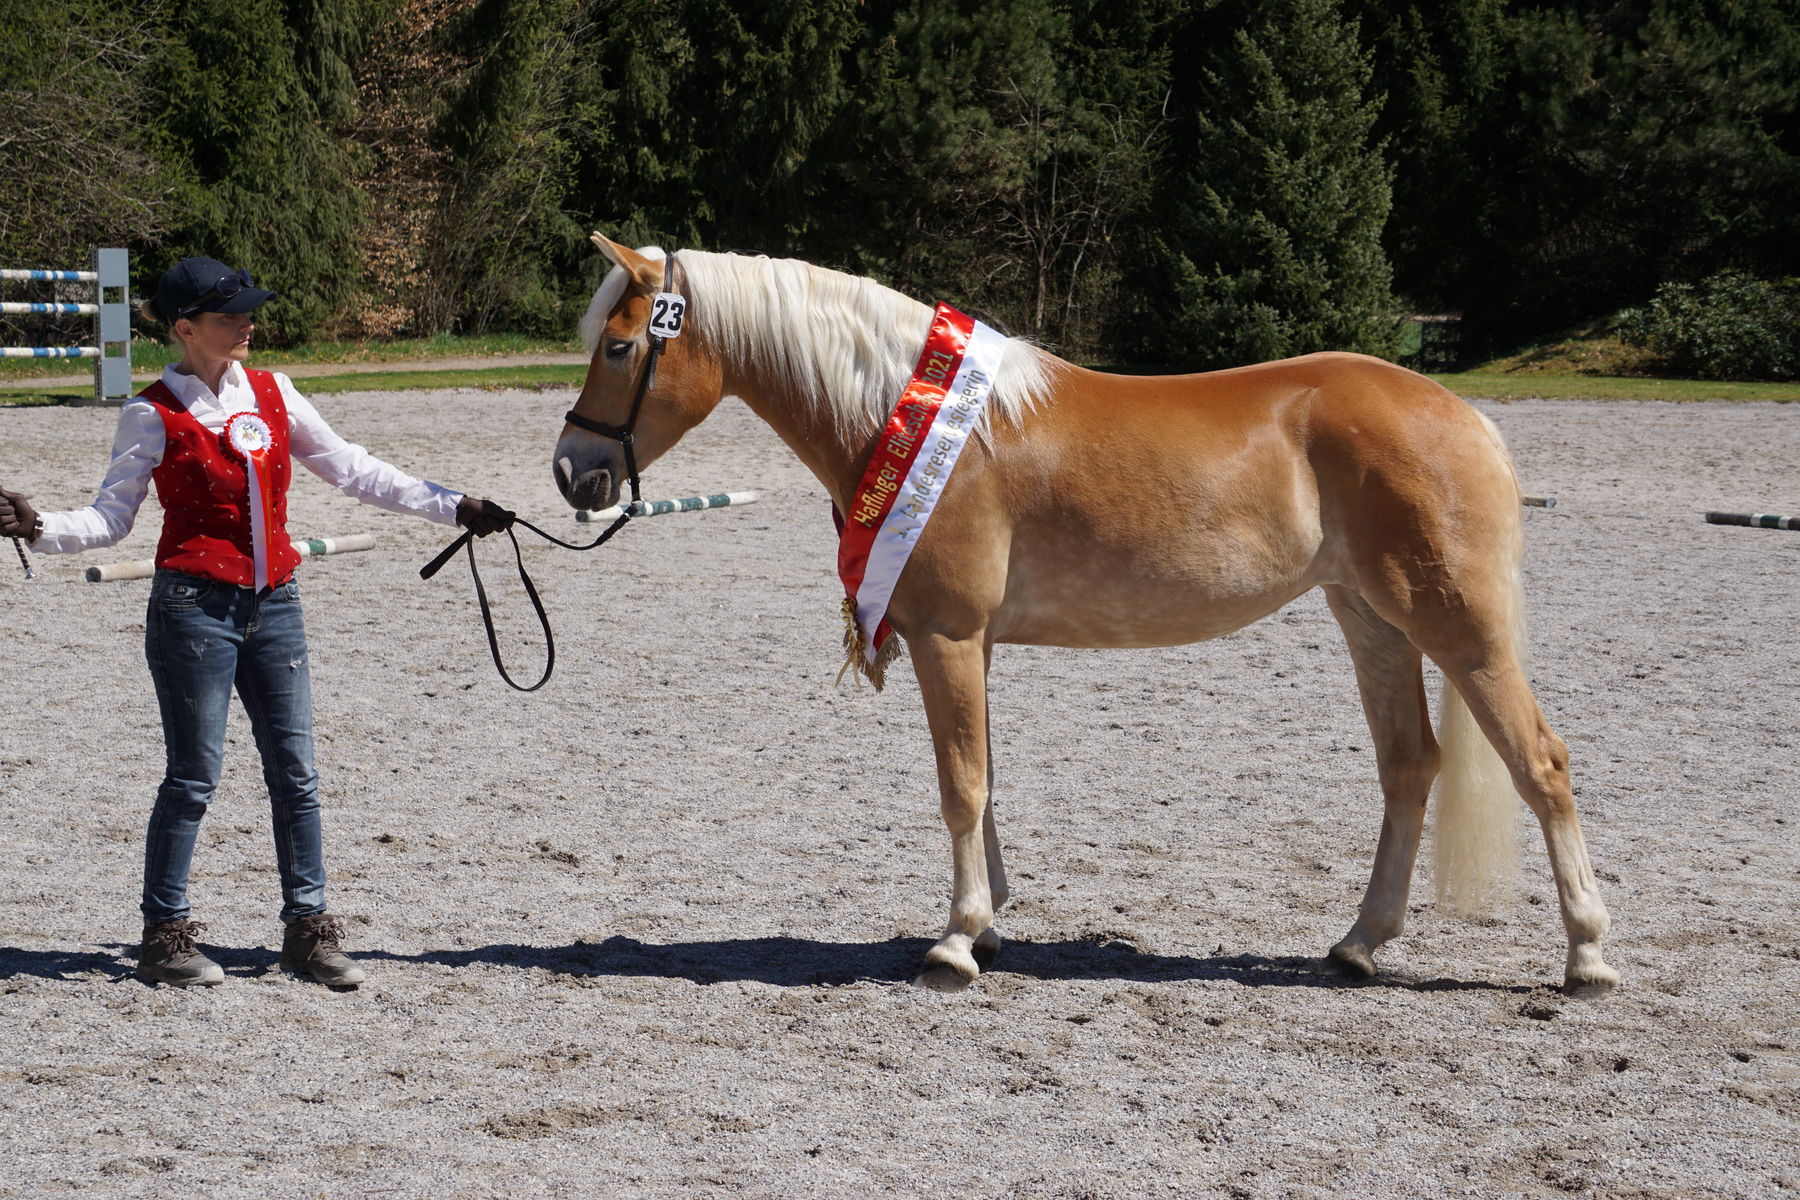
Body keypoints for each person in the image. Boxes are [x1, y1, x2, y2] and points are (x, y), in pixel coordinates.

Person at [0, 256, 513, 988]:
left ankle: (308, 930)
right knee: (193, 776)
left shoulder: (274, 394)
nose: (247, 323)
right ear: (185, 329)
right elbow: (113, 517)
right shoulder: (153, 412)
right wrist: (39, 525)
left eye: (247, 311)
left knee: (296, 774)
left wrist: (452, 502)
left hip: (277, 603)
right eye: (228, 314)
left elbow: (351, 467)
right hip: (192, 609)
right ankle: (164, 933)